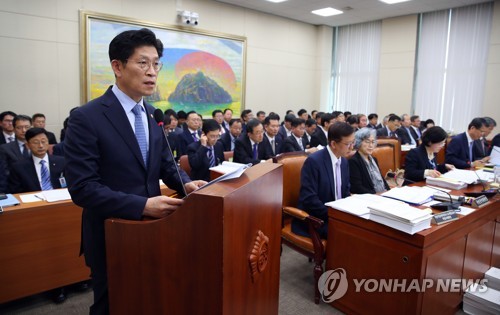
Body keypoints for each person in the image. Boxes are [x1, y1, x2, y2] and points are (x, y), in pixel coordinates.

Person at [64, 28, 205, 314]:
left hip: (154, 229)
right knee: (112, 304)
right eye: (143, 63)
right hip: (111, 233)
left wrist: (186, 183)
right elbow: (82, 188)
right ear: (117, 66)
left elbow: (166, 163)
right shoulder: (86, 117)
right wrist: (142, 205)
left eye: (156, 64)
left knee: (148, 298)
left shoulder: (153, 115)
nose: (152, 71)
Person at [292, 122, 354, 239]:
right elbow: (309, 199)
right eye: (348, 144)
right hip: (316, 219)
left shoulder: (344, 162)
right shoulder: (314, 161)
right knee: (348, 236)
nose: (352, 147)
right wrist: (333, 215)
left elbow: (345, 191)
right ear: (334, 144)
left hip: (337, 215)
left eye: (353, 142)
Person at [8, 128, 65, 193]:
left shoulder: (61, 162)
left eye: (43, 141)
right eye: (36, 142)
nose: (40, 146)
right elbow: (16, 192)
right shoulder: (18, 167)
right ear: (28, 145)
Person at [348, 128, 389, 194]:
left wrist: (388, 192)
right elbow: (356, 188)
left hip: (382, 196)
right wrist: (376, 195)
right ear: (358, 142)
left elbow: (382, 180)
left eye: (373, 142)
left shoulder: (374, 159)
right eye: (367, 142)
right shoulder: (353, 161)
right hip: (369, 199)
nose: (371, 145)